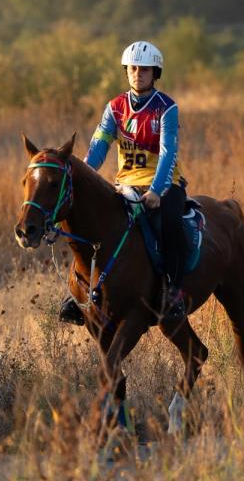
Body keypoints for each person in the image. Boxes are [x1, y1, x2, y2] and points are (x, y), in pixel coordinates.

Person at [58, 40, 188, 325]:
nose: (137, 74)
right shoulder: (115, 107)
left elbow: (168, 153)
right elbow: (98, 147)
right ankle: (77, 292)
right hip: (125, 184)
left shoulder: (167, 108)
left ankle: (173, 292)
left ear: (155, 73)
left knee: (171, 225)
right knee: (92, 224)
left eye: (144, 69)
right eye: (132, 69)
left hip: (164, 185)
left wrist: (156, 191)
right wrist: (82, 178)